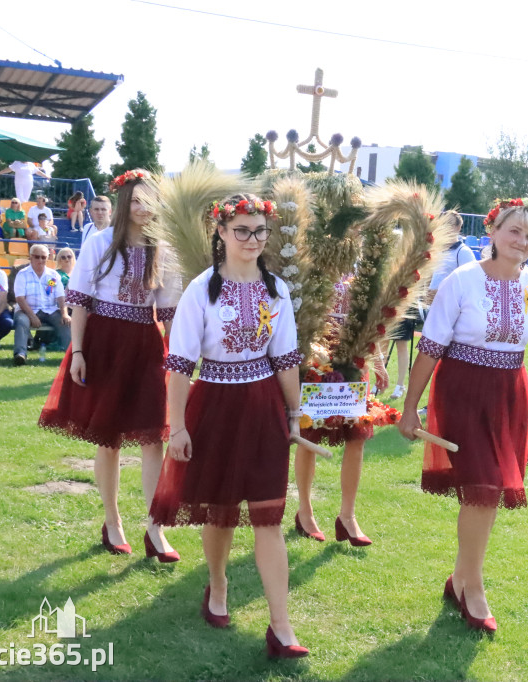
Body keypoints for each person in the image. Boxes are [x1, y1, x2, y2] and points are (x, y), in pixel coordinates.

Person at [397, 197, 528, 634]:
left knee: (489, 489)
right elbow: (430, 347)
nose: (522, 242)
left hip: (509, 393)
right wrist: (411, 408)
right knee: (482, 486)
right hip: (463, 389)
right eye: (514, 232)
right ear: (493, 232)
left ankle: (460, 579)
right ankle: (474, 588)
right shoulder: (462, 281)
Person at [149, 194, 310, 658]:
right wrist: (176, 425)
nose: (253, 239)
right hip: (214, 403)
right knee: (219, 508)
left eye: (260, 230)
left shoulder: (276, 289)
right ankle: (217, 587)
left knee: (268, 515)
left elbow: (284, 358)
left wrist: (294, 415)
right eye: (242, 230)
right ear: (220, 232)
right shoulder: (201, 289)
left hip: (262, 407)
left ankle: (281, 628)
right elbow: (179, 362)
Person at [39, 169, 181, 566]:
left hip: (145, 343)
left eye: (148, 201)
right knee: (110, 437)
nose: (141, 208)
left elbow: (169, 309)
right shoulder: (100, 241)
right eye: (135, 201)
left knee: (155, 434)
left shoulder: (164, 250)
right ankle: (112, 521)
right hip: (104, 343)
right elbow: (81, 299)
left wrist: (179, 354)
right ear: (123, 204)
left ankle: (156, 526)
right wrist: (79, 352)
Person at [293, 272, 393, 546]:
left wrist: (379, 360)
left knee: (357, 437)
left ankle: (348, 516)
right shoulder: (315, 262)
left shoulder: (369, 268)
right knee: (308, 437)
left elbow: (370, 321)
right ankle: (305, 511)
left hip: (356, 362)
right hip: (316, 361)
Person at [12, 244, 70, 365]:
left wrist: (65, 314)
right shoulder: (22, 274)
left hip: (50, 310)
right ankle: (20, 354)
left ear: (47, 258)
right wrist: (32, 316)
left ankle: (71, 356)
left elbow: (61, 297)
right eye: (37, 257)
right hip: (26, 310)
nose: (40, 260)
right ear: (31, 258)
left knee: (65, 322)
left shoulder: (54, 275)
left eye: (43, 257)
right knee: (22, 321)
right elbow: (20, 299)